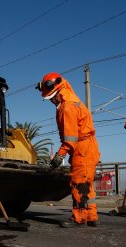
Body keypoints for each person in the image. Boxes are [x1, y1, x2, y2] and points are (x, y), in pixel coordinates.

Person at [36, 72, 100, 227]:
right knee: (86, 184)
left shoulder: (67, 107)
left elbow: (70, 139)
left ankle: (79, 217)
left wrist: (59, 156)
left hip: (81, 148)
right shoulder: (73, 100)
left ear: (58, 92)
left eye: (51, 97)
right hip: (89, 146)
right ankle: (91, 216)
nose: (51, 101)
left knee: (79, 183)